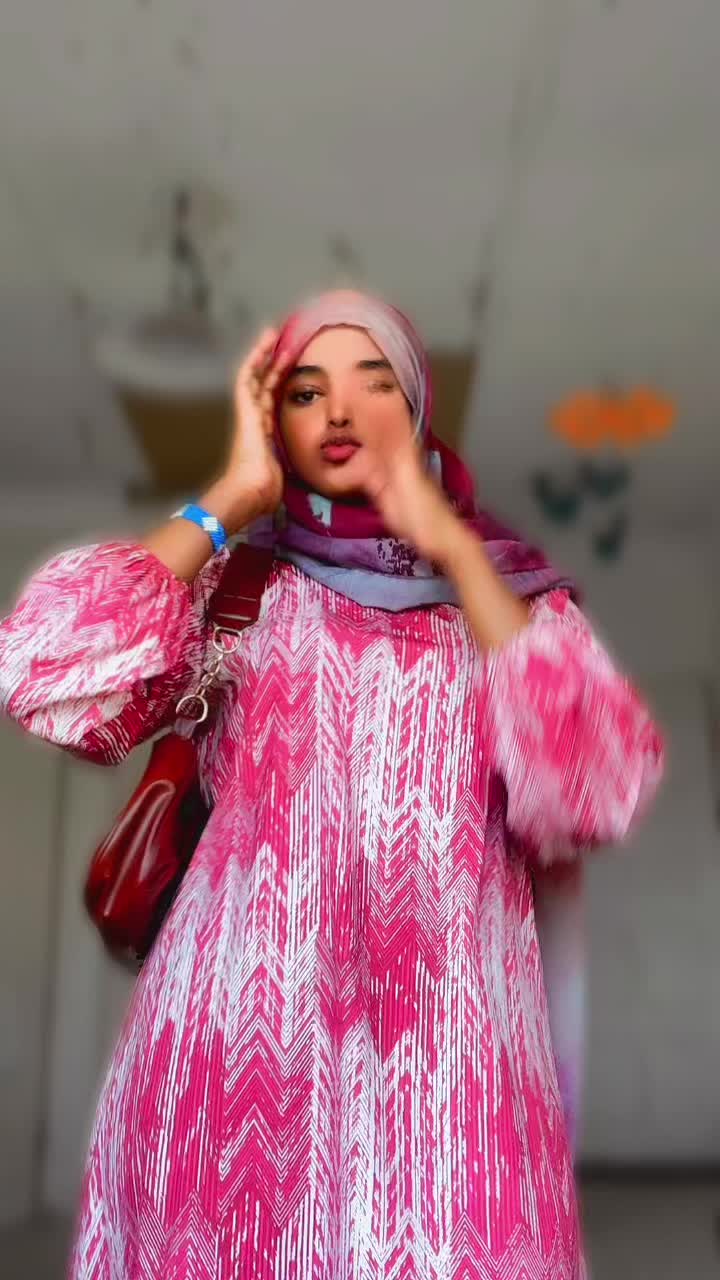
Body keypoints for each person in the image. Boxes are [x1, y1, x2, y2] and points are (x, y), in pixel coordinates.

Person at [0, 290, 662, 1279]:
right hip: (234, 1079)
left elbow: (592, 791)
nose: (339, 410)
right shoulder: (240, 589)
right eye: (305, 392)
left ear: (420, 406)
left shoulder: (515, 606)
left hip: (449, 1087)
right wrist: (228, 499)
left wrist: (454, 551)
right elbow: (45, 674)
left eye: (373, 381)